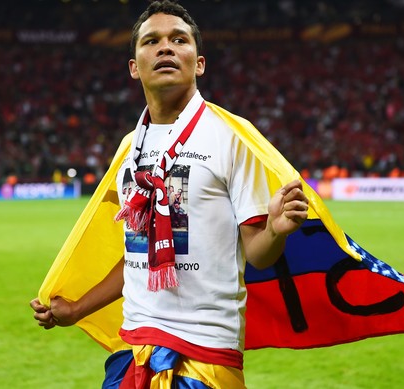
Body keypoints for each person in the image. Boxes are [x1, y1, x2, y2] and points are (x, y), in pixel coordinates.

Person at [30, 1, 309, 387]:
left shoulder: (231, 137)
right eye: (152, 41)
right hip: (134, 350)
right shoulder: (129, 148)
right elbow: (136, 255)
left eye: (179, 40)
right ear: (134, 67)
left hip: (205, 353)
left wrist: (276, 230)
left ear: (199, 63)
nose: (165, 48)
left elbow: (259, 254)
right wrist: (76, 309)